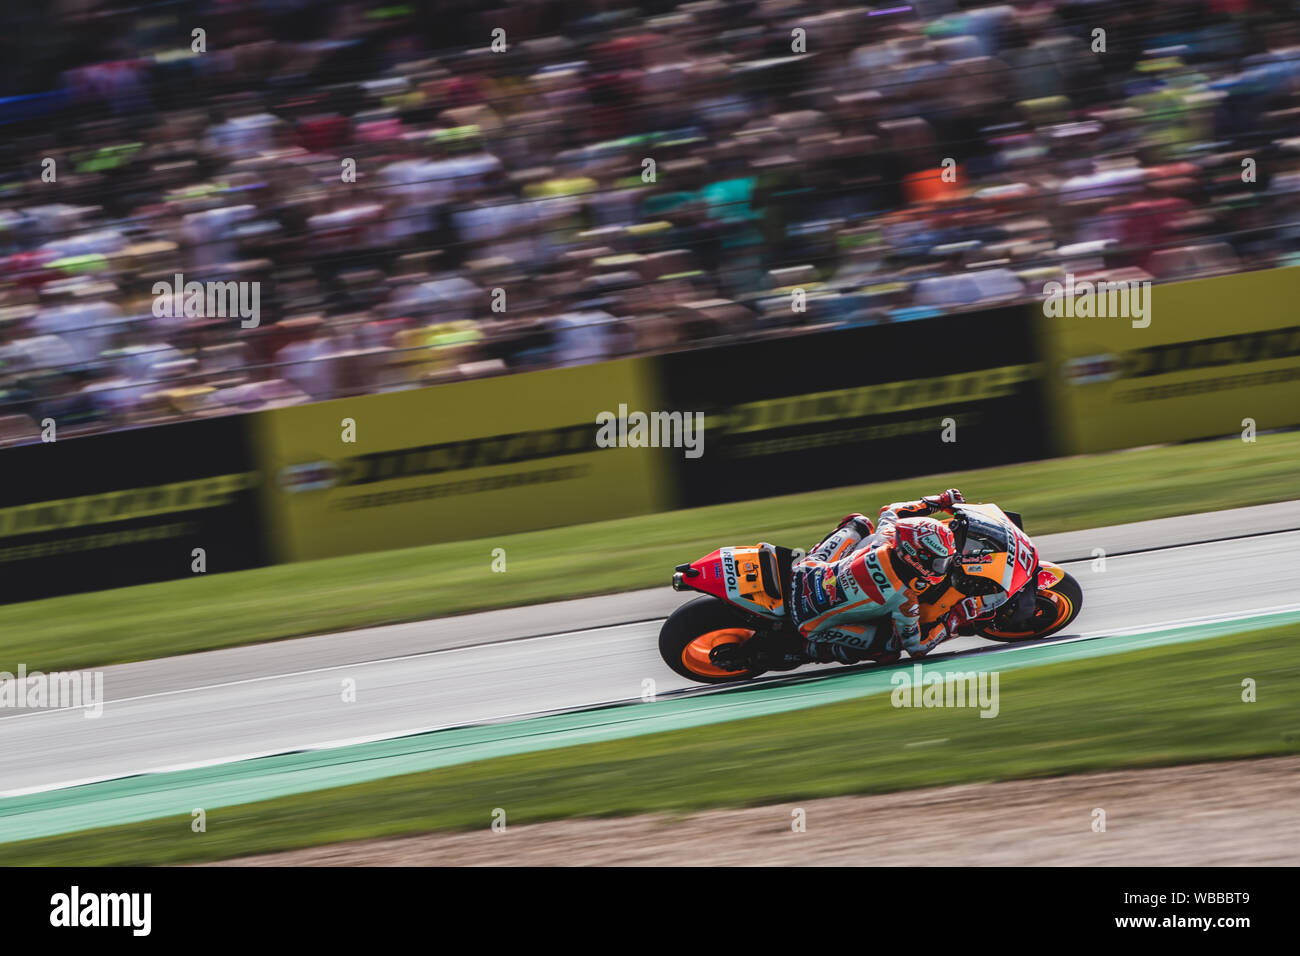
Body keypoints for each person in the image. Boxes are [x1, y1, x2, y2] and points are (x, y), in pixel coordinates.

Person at [710, 489, 965, 671]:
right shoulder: (904, 600)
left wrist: (938, 502)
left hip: (804, 572)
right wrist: (954, 619)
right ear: (914, 557)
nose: (942, 566)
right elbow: (917, 647)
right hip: (809, 622)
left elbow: (893, 510)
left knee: (859, 522)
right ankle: (810, 650)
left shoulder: (886, 537)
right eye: (938, 561)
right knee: (888, 648)